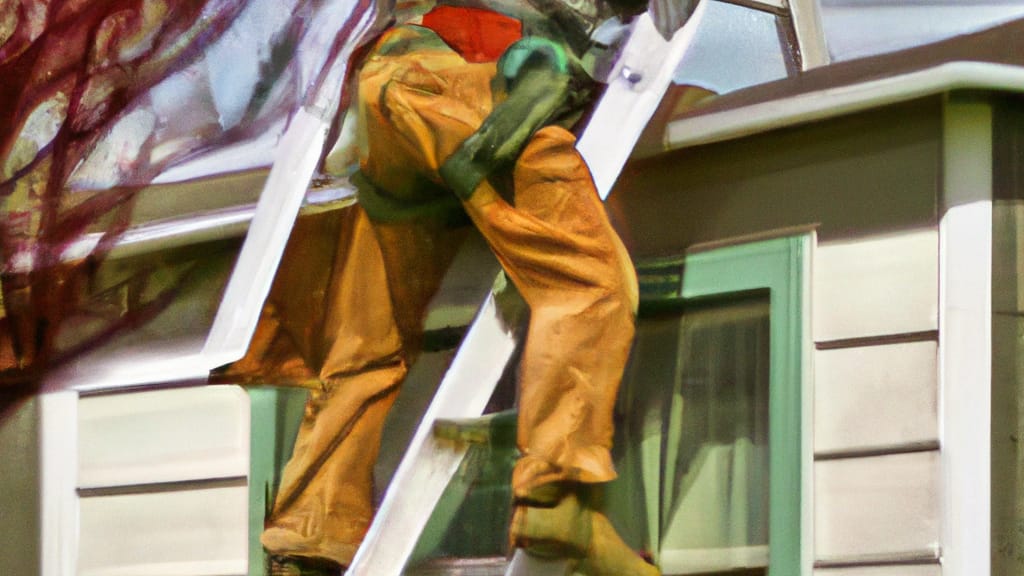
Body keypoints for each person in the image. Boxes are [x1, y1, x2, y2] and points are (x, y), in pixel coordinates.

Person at [220, 0, 693, 573]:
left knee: (371, 333)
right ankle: (556, 497)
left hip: (393, 92)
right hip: (471, 87)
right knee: (585, 279)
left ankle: (310, 534)